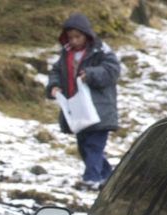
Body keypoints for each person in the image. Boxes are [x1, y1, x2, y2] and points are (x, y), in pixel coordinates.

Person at [46, 12, 120, 190]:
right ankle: (108, 177)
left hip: (99, 109)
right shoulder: (66, 54)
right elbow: (56, 71)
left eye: (77, 37)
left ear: (86, 35)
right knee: (84, 146)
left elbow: (112, 70)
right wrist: (54, 86)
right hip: (77, 108)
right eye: (70, 37)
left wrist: (91, 74)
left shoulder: (101, 51)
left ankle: (91, 179)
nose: (74, 41)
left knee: (94, 146)